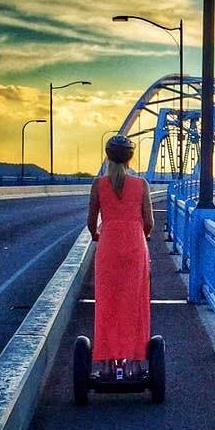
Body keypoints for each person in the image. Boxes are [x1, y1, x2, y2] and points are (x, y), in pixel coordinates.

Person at [87, 134, 153, 378]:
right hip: (135, 248)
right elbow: (149, 222)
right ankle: (135, 364)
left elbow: (90, 223)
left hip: (108, 249)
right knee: (135, 304)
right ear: (130, 158)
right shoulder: (141, 184)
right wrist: (140, 236)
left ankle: (105, 364)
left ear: (107, 155)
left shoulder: (98, 185)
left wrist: (98, 235)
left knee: (107, 305)